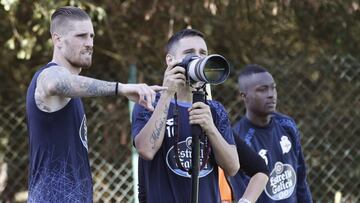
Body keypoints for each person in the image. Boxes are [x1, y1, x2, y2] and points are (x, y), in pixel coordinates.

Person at [26, 6, 165, 202]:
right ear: (57, 40)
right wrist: (122, 88)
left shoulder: (73, 95)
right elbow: (56, 82)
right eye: (81, 36)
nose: (90, 43)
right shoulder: (47, 75)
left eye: (91, 36)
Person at [131, 28, 268, 203]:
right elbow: (146, 150)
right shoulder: (150, 101)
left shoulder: (215, 109)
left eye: (203, 53)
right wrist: (167, 94)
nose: (197, 58)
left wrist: (210, 128)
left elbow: (233, 167)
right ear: (170, 60)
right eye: (189, 53)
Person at [228, 64, 313, 202]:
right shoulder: (239, 139)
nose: (271, 95)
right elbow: (242, 194)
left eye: (273, 88)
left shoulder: (287, 125)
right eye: (262, 90)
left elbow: (301, 178)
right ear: (244, 96)